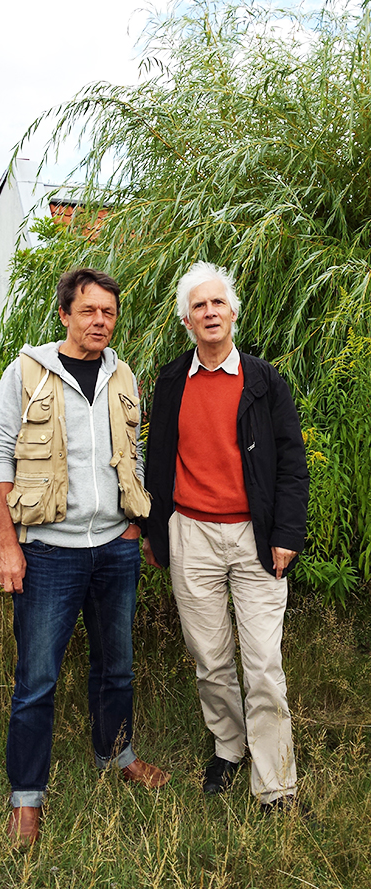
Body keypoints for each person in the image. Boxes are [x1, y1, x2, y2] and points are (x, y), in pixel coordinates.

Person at [0, 267, 170, 845]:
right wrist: (7, 543)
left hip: (115, 548)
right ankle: (26, 797)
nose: (100, 322)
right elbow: (0, 457)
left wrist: (134, 527)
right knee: (37, 676)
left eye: (109, 313)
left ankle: (118, 756)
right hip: (49, 553)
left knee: (116, 666)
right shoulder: (28, 372)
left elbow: (132, 455)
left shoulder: (125, 375)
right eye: (89, 311)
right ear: (65, 314)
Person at [143, 261, 308, 813]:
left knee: (262, 662)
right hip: (190, 534)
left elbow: (292, 462)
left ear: (233, 313)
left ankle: (276, 782)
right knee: (210, 658)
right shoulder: (170, 382)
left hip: (254, 538)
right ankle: (229, 746)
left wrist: (287, 532)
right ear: (185, 320)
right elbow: (156, 459)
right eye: (198, 306)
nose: (209, 313)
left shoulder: (263, 380)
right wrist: (154, 528)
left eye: (218, 303)